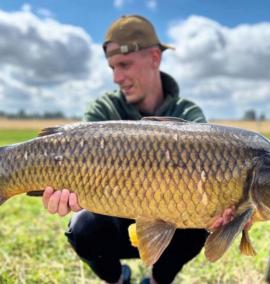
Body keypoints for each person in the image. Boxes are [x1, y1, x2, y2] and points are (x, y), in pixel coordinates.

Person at [42, 15, 234, 284]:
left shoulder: (187, 113)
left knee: (197, 228)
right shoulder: (103, 111)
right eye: (112, 68)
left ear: (155, 58)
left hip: (171, 222)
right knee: (83, 227)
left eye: (124, 65)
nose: (117, 78)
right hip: (114, 217)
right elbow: (76, 162)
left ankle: (158, 278)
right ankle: (117, 278)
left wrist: (224, 207)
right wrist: (64, 191)